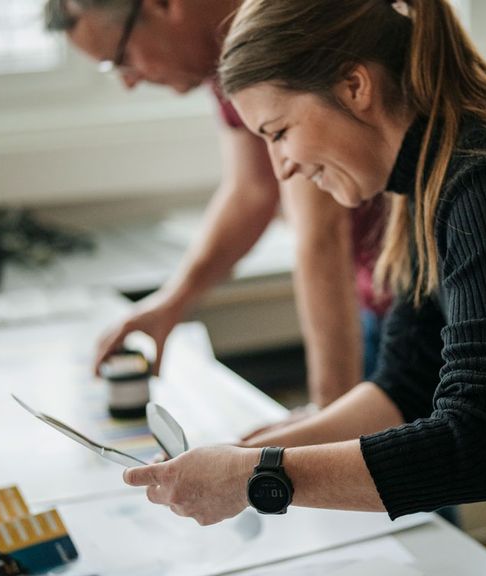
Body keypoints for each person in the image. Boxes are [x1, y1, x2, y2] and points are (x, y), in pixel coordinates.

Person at [121, 0, 486, 573]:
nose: (282, 169)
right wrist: (255, 455)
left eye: (279, 132)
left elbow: (480, 444)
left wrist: (261, 477)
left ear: (355, 86)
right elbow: (405, 383)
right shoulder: (427, 175)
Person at [43, 0, 391, 410]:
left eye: (121, 59)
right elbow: (252, 189)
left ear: (161, 5)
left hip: (419, 292)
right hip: (378, 297)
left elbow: (321, 233)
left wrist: (328, 414)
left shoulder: (281, 34)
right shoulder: (223, 54)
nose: (129, 82)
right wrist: (171, 302)